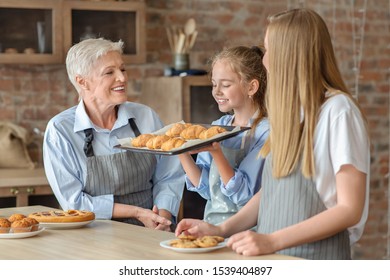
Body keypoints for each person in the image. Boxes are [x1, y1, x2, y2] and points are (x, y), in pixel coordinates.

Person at [175, 8, 370, 259]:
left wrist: (272, 241)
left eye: (268, 51)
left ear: (290, 54)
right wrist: (220, 229)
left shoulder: (338, 111)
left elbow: (349, 209)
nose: (264, 60)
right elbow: (272, 193)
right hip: (276, 258)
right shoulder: (291, 114)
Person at [43, 38, 185, 231]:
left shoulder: (146, 117)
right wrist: (136, 212)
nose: (122, 78)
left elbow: (169, 176)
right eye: (109, 72)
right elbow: (73, 203)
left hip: (150, 230)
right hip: (92, 234)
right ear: (82, 81)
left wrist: (162, 218)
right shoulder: (60, 130)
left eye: (123, 69)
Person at [178, 46, 269, 225]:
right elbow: (205, 189)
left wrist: (217, 153)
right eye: (214, 84)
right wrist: (180, 150)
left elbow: (244, 196)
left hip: (247, 231)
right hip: (211, 225)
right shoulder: (218, 126)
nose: (217, 91)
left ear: (251, 87)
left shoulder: (265, 132)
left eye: (226, 85)